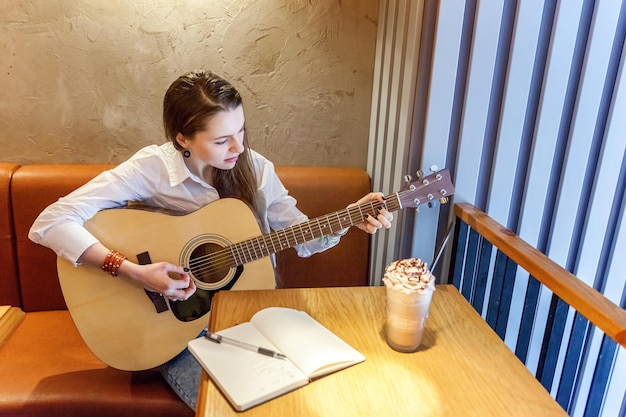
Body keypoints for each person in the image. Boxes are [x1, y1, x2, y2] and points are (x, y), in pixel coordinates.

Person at [28, 69, 393, 410]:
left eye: (241, 131)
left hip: (245, 315)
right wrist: (132, 272)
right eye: (221, 140)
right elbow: (50, 222)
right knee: (232, 404)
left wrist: (349, 218)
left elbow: (301, 236)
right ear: (182, 138)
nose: (237, 147)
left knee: (309, 393)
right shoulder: (151, 169)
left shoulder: (258, 169)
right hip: (174, 328)